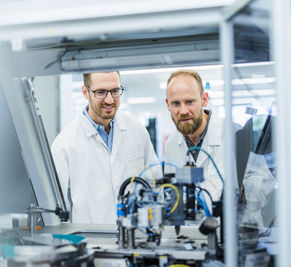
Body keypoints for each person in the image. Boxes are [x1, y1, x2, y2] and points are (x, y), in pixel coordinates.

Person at [51, 71, 158, 224]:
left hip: (135, 239)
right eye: (100, 92)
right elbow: (58, 211)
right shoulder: (64, 144)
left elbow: (153, 182)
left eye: (115, 91)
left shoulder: (137, 132)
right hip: (90, 242)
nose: (109, 100)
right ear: (85, 92)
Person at [164, 70, 236, 201]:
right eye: (176, 103)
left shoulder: (234, 133)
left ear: (204, 99)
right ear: (168, 104)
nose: (183, 111)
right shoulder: (172, 143)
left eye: (189, 101)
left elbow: (261, 186)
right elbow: (172, 195)